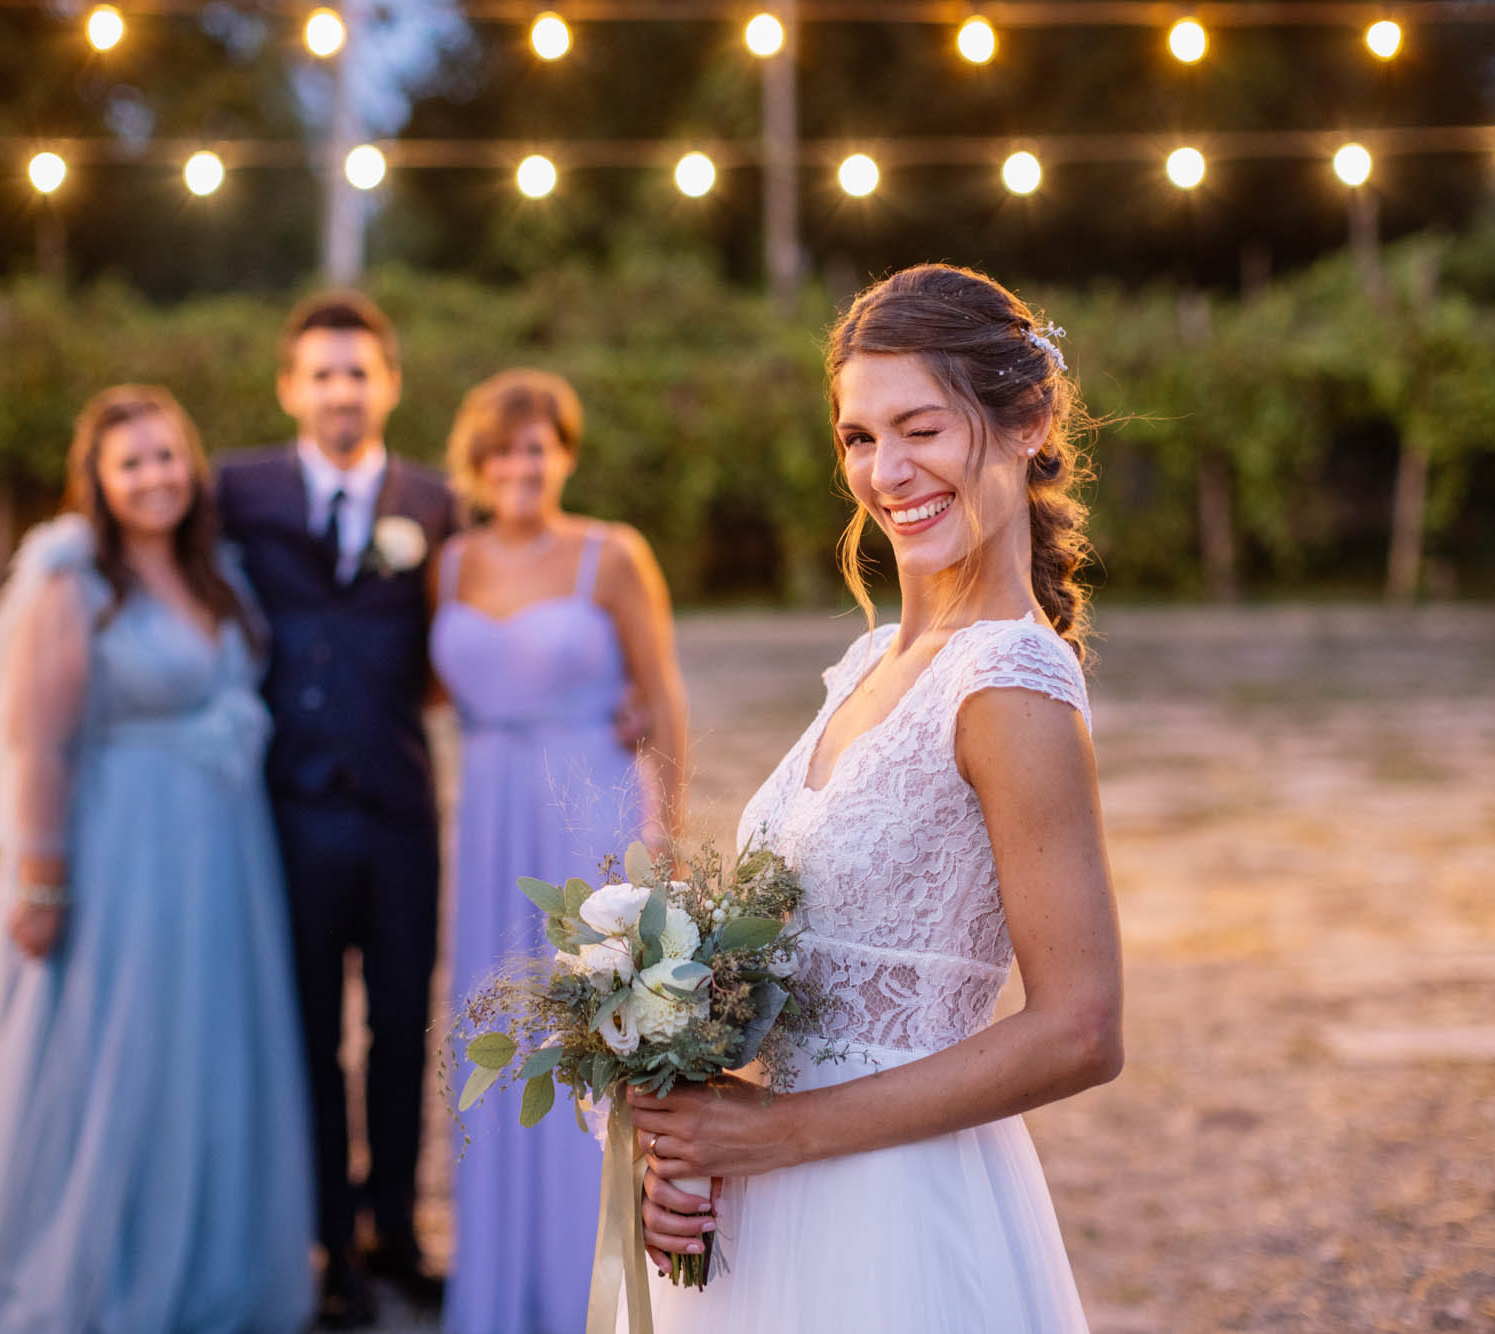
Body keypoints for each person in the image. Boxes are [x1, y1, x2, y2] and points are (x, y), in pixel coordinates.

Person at [628, 263, 1126, 1332]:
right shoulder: (867, 663)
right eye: (857, 437)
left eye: (922, 429)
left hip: (890, 1216)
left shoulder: (1007, 683)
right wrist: (686, 1100)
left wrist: (774, 1133)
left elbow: (1080, 1028)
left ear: (1027, 418)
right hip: (775, 1206)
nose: (886, 470)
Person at [0, 385, 314, 1333]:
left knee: (203, 1054)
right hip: (122, 856)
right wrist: (41, 876)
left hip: (222, 861)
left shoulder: (216, 569)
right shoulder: (72, 579)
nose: (155, 477)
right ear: (99, 480)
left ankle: (201, 1266)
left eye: (168, 456)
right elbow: (40, 743)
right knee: (117, 1056)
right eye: (132, 462)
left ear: (192, 464)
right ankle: (97, 1275)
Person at [216, 293, 461, 1328]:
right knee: (308, 1035)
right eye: (321, 373)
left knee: (404, 1025)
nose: (341, 390)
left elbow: (461, 633)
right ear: (289, 387)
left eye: (358, 372)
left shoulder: (439, 501)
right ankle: (327, 1248)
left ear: (389, 383)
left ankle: (396, 1231)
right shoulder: (237, 490)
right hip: (288, 811)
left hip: (400, 805)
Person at [434, 369, 689, 1334]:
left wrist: (662, 834)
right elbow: (430, 681)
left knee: (593, 1036)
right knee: (496, 1036)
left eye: (536, 446)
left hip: (589, 813)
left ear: (565, 453)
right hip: (491, 822)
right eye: (501, 449)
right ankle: (506, 1292)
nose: (519, 465)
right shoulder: (449, 564)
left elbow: (662, 696)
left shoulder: (611, 555)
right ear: (477, 462)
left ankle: (608, 1290)